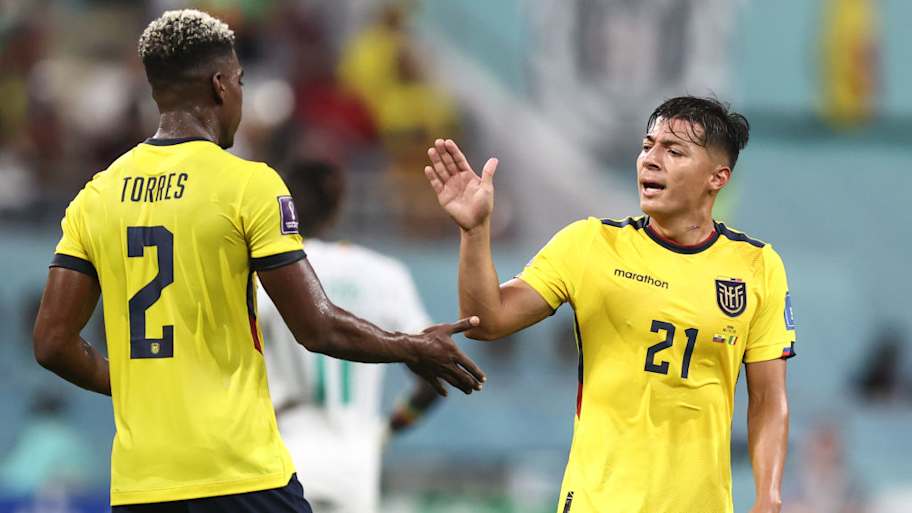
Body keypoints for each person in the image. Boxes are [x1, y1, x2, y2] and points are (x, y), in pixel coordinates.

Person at [31, 9, 484, 513]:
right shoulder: (248, 185)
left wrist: (133, 385)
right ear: (220, 85)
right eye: (241, 81)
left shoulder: (96, 196)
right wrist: (410, 346)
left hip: (142, 487)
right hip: (239, 476)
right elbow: (317, 327)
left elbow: (52, 343)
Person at [423, 96, 796, 513]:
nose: (651, 160)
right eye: (647, 146)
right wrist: (475, 232)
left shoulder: (757, 267)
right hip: (597, 502)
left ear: (717, 177)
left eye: (673, 151)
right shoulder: (589, 245)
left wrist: (768, 496)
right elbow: (486, 321)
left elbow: (768, 399)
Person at [257, 159, 442, 513]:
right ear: (338, 206)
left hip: (283, 456)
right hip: (356, 465)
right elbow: (432, 381)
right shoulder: (384, 274)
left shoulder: (265, 276)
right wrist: (385, 430)